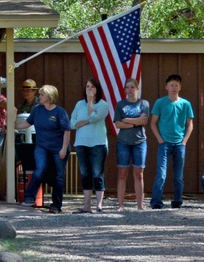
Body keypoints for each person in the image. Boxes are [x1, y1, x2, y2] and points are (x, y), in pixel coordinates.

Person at [19, 85, 71, 212]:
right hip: (42, 146)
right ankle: (29, 197)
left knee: (59, 177)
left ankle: (56, 205)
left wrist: (64, 149)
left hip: (58, 147)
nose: (39, 96)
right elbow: (27, 123)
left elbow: (67, 131)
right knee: (40, 170)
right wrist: (10, 126)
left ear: (49, 96)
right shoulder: (37, 110)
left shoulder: (60, 112)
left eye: (42, 94)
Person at [150, 74, 195, 209]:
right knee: (161, 173)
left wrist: (184, 141)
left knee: (178, 175)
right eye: (171, 85)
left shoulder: (186, 104)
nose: (174, 88)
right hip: (165, 143)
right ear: (166, 87)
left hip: (179, 144)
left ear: (180, 87)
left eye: (176, 85)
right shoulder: (160, 103)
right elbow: (153, 123)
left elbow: (190, 124)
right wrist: (160, 139)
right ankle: (156, 201)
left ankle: (177, 201)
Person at [71, 77, 113, 214]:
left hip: (98, 143)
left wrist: (90, 103)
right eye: (87, 86)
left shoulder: (103, 105)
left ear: (97, 90)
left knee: (97, 173)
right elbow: (72, 123)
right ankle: (87, 205)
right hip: (81, 143)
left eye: (92, 87)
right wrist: (84, 122)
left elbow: (94, 117)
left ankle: (99, 204)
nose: (89, 89)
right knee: (85, 173)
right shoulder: (79, 104)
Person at [114, 78, 150, 211]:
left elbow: (144, 121)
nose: (130, 90)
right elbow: (118, 124)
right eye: (127, 87)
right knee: (122, 173)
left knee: (139, 173)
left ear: (137, 89)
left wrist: (127, 120)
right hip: (123, 142)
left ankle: (140, 205)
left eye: (132, 87)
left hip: (139, 142)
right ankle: (121, 205)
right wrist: (136, 121)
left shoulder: (144, 103)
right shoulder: (120, 104)